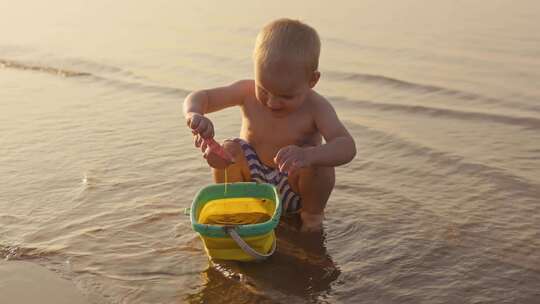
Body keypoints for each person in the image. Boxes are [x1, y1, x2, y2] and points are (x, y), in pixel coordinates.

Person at [183, 18, 356, 232]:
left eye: (286, 96)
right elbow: (203, 97)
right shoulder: (246, 92)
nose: (272, 102)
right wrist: (194, 114)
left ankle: (311, 220)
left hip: (294, 183)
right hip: (252, 183)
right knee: (230, 150)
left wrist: (309, 156)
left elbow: (347, 146)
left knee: (321, 165)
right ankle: (236, 212)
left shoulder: (316, 107)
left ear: (312, 80)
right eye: (263, 90)